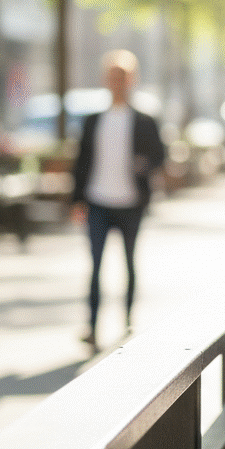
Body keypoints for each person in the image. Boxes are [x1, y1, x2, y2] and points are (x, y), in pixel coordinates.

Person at [71, 50, 166, 352]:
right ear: (105, 81)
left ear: (132, 80)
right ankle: (92, 326)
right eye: (112, 77)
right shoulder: (92, 121)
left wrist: (144, 165)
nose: (117, 82)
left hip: (130, 202)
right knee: (96, 265)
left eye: (122, 77)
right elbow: (81, 160)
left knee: (129, 262)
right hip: (97, 201)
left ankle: (127, 321)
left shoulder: (144, 120)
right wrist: (76, 200)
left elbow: (159, 156)